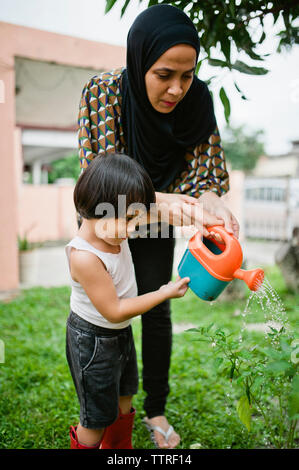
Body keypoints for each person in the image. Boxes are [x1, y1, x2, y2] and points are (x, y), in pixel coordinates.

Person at [77, 4, 239, 448]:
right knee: (106, 316)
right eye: (164, 74)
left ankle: (155, 409)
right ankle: (103, 409)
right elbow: (97, 183)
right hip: (109, 220)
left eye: (187, 76)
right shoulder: (104, 93)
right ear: (140, 60)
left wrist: (211, 202)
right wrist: (160, 202)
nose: (177, 89)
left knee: (155, 308)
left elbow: (206, 176)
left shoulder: (198, 101)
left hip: (156, 221)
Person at [65, 152, 221, 449]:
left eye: (135, 218)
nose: (134, 229)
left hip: (119, 335)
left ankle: (120, 451)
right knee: (95, 420)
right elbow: (114, 310)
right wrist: (161, 294)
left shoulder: (112, 229)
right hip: (93, 342)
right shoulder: (85, 257)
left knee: (124, 400)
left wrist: (194, 214)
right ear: (98, 210)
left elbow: (155, 213)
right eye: (129, 220)